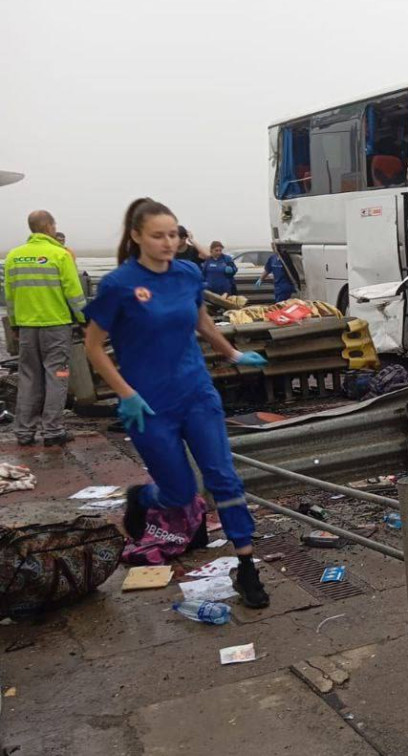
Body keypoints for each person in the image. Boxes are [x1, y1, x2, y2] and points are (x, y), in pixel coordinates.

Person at [83, 198, 271, 607]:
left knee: (224, 479)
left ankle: (247, 567)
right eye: (158, 235)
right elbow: (94, 347)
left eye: (174, 234)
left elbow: (201, 321)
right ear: (136, 237)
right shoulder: (119, 285)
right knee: (181, 494)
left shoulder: (187, 273)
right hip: (149, 406)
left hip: (196, 394)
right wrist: (126, 394)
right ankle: (143, 498)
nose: (169, 242)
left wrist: (233, 355)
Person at [4, 210, 86, 446]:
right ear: (49, 226)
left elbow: (9, 296)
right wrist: (83, 319)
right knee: (57, 376)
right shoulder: (60, 255)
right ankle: (52, 431)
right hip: (56, 327)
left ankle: (24, 432)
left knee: (28, 377)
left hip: (27, 328)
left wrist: (15, 324)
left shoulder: (14, 256)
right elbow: (74, 293)